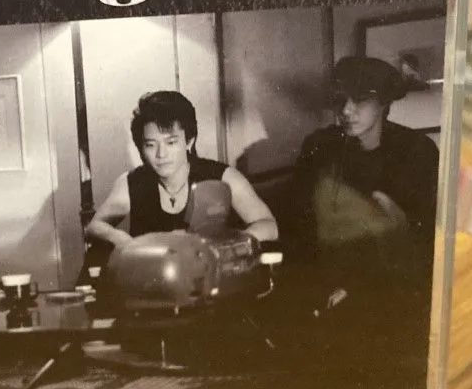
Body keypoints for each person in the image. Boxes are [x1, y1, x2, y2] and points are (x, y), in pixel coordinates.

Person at [86, 90, 278, 252]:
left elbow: (269, 226)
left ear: (189, 141)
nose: (161, 154)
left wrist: (227, 245)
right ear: (141, 147)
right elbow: (94, 226)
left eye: (171, 142)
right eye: (151, 145)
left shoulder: (223, 177)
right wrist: (124, 240)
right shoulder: (132, 182)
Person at [284, 56, 440, 252]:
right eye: (340, 99)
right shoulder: (319, 145)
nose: (346, 110)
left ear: (383, 102)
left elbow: (425, 233)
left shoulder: (417, 150)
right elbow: (298, 221)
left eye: (359, 99)